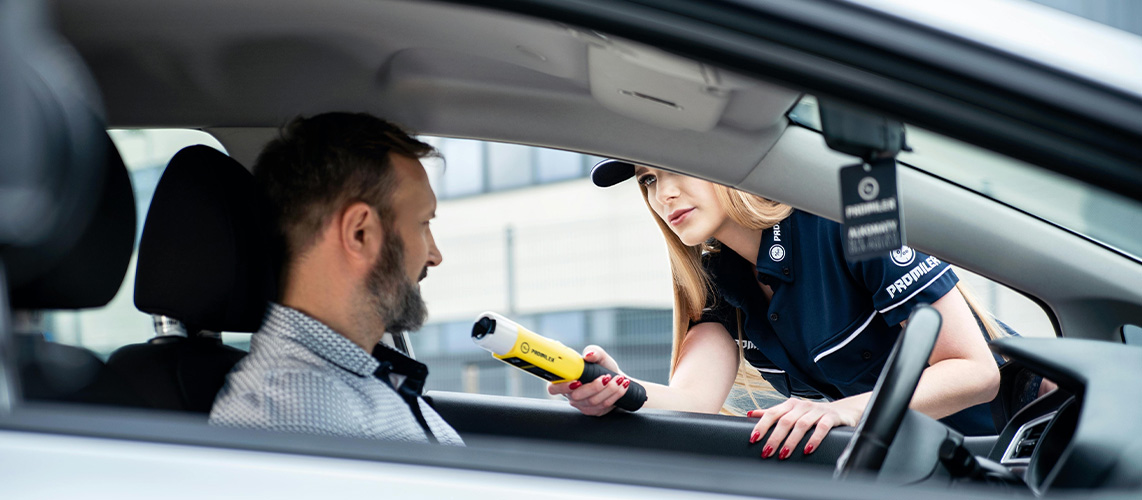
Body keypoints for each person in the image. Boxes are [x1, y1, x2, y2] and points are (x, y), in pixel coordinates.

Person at [550, 160, 1005, 460]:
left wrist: (842, 412)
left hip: (1033, 440)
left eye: (678, 168)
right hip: (935, 463)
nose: (663, 193)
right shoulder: (717, 278)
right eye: (648, 179)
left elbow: (975, 372)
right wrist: (612, 387)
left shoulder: (848, 217)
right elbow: (693, 402)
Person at [210, 112, 463, 446]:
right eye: (422, 224)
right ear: (360, 233)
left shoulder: (362, 376)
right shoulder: (288, 415)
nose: (435, 255)